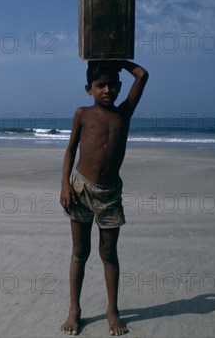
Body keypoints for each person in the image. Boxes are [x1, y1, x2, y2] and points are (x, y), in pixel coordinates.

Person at [60, 60, 149, 336]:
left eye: (112, 84)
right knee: (80, 253)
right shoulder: (83, 114)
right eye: (100, 85)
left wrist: (117, 59)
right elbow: (70, 149)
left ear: (120, 87)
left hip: (109, 194)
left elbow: (142, 75)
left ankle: (113, 311)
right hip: (80, 189)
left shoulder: (124, 114)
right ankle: (75, 309)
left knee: (109, 254)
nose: (107, 89)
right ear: (89, 89)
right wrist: (64, 185)